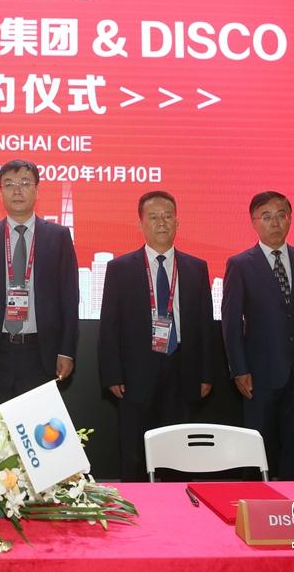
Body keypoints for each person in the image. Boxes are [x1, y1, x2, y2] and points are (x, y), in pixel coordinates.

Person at [98, 191, 214, 481]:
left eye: (167, 216)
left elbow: (205, 325)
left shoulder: (196, 268)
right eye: (153, 217)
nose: (162, 222)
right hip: (136, 373)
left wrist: (207, 373)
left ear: (177, 222)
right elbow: (110, 325)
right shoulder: (120, 268)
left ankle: (178, 506)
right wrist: (112, 374)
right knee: (135, 455)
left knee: (179, 456)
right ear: (140, 224)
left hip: (183, 370)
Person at [221, 191, 294, 480]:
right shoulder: (240, 264)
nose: (275, 222)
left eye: (281, 215)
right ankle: (253, 500)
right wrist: (239, 369)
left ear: (290, 219)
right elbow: (231, 323)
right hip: (259, 373)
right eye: (266, 217)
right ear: (254, 222)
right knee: (257, 447)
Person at [0, 159, 79, 404]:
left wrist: (66, 350)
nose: (17, 190)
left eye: (25, 183)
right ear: (0, 192)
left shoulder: (58, 236)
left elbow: (69, 298)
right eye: (9, 184)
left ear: (37, 190)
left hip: (41, 353)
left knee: (38, 425)